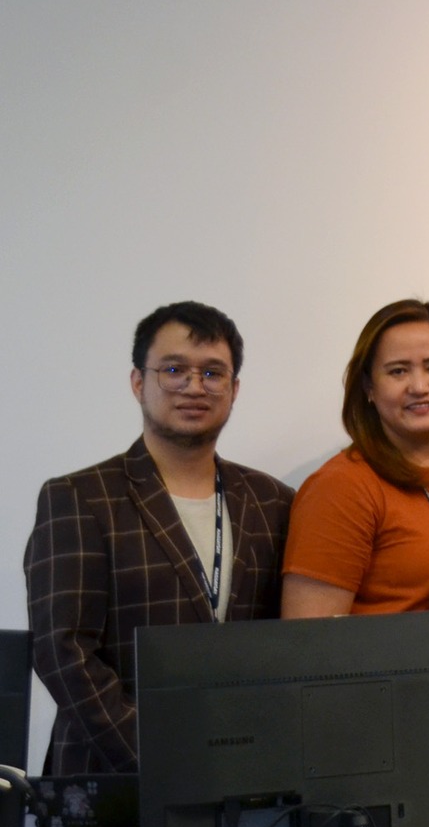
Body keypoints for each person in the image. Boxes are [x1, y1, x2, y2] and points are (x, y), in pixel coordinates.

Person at [26, 302, 294, 775]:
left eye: (212, 373)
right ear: (138, 382)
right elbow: (63, 651)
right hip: (112, 778)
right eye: (173, 370)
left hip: (246, 773)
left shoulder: (274, 501)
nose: (194, 386)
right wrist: (163, 762)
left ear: (234, 389)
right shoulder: (79, 497)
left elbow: (287, 644)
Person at [282, 299, 429, 615]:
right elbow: (309, 636)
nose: (419, 386)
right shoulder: (341, 488)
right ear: (369, 387)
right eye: (398, 371)